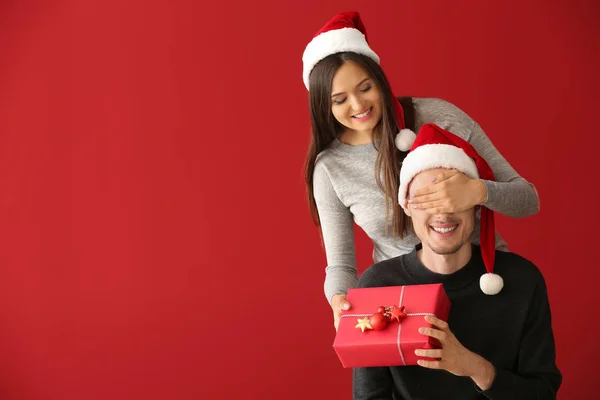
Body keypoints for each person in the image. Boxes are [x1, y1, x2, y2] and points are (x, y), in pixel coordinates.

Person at [302, 11, 540, 329]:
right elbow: (341, 265)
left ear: (379, 79)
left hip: (484, 284)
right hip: (405, 307)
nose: (358, 105)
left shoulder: (436, 116)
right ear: (324, 106)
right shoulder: (330, 168)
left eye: (365, 87)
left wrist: (477, 190)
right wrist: (339, 300)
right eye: (340, 99)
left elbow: (528, 200)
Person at [352, 123, 561, 399]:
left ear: (475, 204)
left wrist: (475, 368)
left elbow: (542, 393)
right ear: (407, 206)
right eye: (428, 200)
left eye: (454, 198)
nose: (443, 214)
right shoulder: (377, 286)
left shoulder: (522, 280)